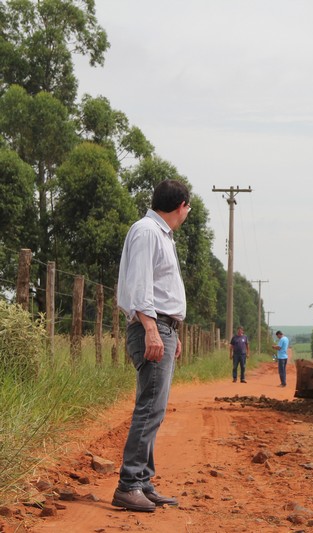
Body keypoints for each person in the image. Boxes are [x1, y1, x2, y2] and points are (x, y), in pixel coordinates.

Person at [112, 179, 191, 513]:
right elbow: (141, 284)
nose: (187, 212)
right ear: (181, 206)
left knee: (154, 409)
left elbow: (160, 288)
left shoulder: (159, 233)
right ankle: (129, 485)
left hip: (161, 325)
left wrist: (171, 330)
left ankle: (142, 482)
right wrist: (152, 330)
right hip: (151, 325)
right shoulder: (147, 232)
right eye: (188, 207)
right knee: (149, 408)